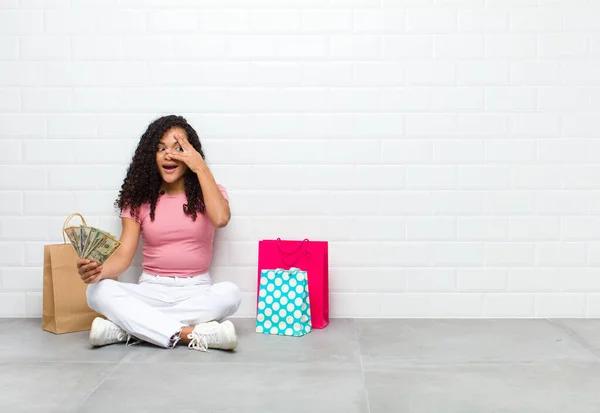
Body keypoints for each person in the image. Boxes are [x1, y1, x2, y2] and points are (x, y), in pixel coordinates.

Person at [77, 115, 242, 352]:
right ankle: (189, 334)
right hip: (151, 289)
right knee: (97, 291)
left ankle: (128, 330)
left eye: (179, 148)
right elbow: (123, 256)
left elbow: (221, 218)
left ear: (191, 153)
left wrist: (200, 167)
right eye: (161, 148)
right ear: (150, 156)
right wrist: (97, 271)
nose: (169, 154)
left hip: (196, 290)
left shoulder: (210, 192)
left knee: (231, 294)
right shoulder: (137, 200)